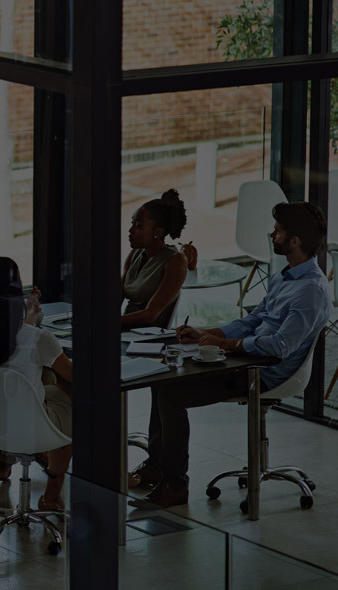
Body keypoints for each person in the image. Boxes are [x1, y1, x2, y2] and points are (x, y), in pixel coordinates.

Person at [130, 201, 330, 508]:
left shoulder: (311, 291)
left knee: (171, 394)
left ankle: (175, 486)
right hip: (245, 359)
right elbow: (252, 320)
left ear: (294, 241)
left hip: (265, 371)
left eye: (277, 231)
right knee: (162, 377)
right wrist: (208, 334)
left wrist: (227, 346)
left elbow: (280, 347)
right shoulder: (285, 277)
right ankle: (158, 466)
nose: (271, 235)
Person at [0, 257, 74, 511]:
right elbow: (76, 377)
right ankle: (51, 497)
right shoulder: (39, 339)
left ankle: (4, 458)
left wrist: (29, 316)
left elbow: (12, 348)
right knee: (75, 401)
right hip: (32, 426)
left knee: (49, 385)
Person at [121, 189, 193, 330]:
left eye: (138, 226)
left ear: (158, 232)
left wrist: (106, 321)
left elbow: (150, 315)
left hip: (146, 336)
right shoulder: (135, 253)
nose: (130, 231)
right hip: (124, 330)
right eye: (132, 224)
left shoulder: (175, 261)